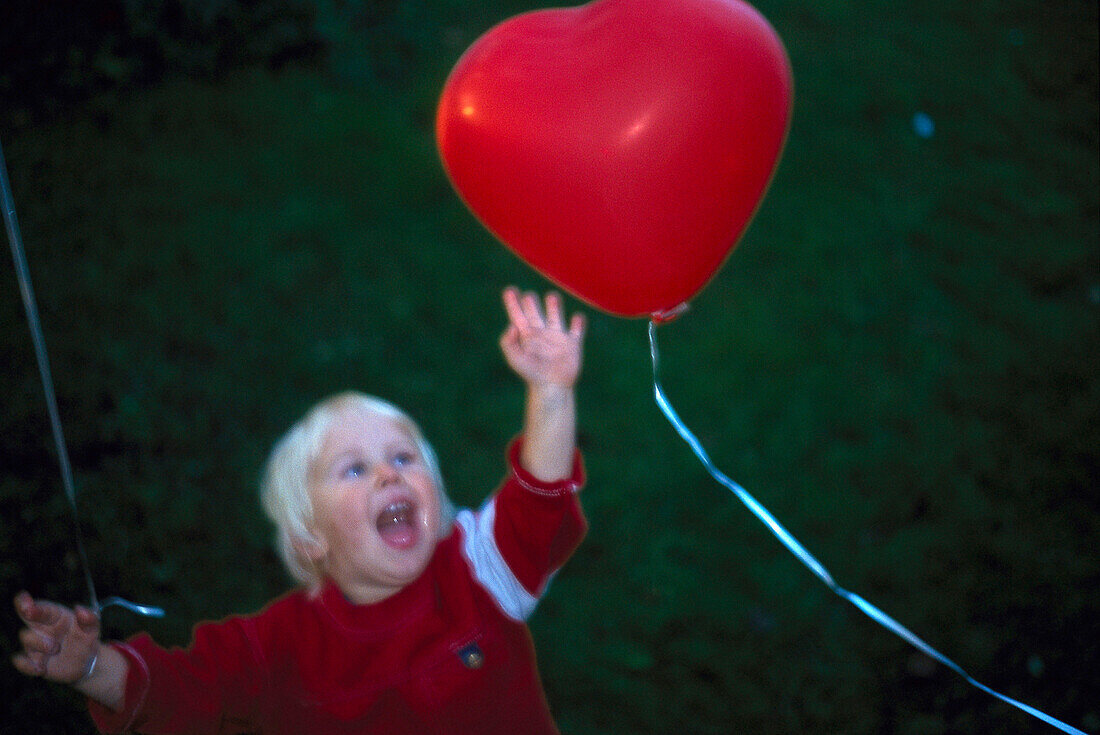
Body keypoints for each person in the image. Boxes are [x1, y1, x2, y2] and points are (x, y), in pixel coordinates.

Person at [12, 287, 587, 734]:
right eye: (355, 469)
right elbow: (181, 691)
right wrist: (92, 668)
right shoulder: (277, 650)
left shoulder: (477, 570)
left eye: (404, 458)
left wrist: (552, 392)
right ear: (311, 537)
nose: (390, 473)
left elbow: (540, 498)